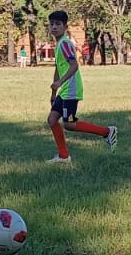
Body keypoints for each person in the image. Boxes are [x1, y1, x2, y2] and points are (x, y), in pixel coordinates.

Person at [46, 10, 116, 163]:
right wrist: (54, 93)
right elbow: (58, 69)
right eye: (51, 24)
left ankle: (106, 132)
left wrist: (60, 82)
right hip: (64, 91)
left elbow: (74, 66)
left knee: (69, 124)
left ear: (65, 27)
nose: (54, 27)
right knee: (52, 119)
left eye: (58, 24)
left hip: (71, 90)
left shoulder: (65, 44)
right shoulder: (58, 45)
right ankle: (64, 156)